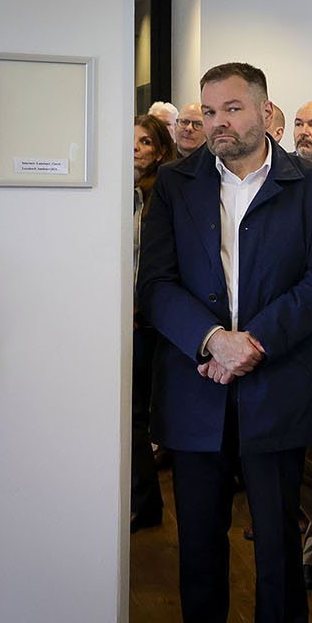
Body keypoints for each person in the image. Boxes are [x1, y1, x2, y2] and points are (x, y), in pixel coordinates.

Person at [137, 62, 312, 623]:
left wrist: (249, 342)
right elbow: (155, 285)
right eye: (208, 111)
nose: (216, 122)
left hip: (274, 385)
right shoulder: (175, 184)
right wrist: (212, 340)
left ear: (263, 111)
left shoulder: (310, 184)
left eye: (231, 109)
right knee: (199, 542)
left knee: (278, 539)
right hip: (194, 387)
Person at [131, 113, 178, 533]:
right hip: (128, 317)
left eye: (145, 142)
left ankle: (145, 502)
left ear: (161, 151)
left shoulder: (161, 195)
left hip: (150, 320)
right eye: (131, 141)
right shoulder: (121, 194)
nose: (135, 149)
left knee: (137, 413)